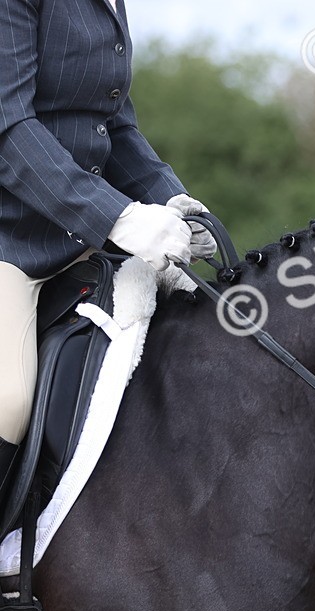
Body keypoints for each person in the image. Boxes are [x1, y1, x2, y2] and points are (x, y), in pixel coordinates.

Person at [0, 0, 215, 507]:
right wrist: (118, 217)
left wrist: (172, 204)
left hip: (82, 236)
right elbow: (9, 129)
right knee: (8, 402)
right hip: (12, 241)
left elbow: (113, 126)